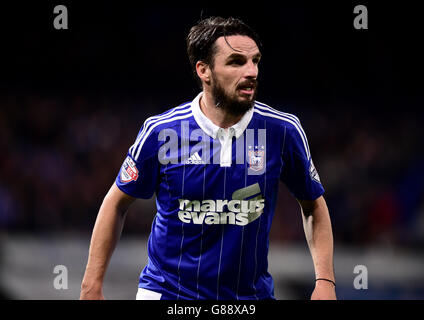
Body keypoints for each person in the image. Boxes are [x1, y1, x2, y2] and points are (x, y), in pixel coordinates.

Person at [80, 16, 336, 300]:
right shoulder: (162, 131)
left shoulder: (282, 131)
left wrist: (325, 281)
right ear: (204, 70)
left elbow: (313, 204)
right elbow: (116, 202)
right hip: (168, 294)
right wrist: (91, 285)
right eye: (237, 62)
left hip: (248, 298)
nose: (251, 71)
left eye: (255, 60)